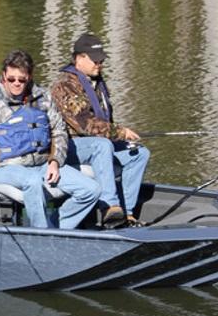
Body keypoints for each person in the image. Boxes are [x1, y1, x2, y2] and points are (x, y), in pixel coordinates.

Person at [0, 49, 102, 230]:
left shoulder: (43, 98)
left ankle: (57, 228)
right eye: (11, 79)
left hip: (42, 165)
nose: (16, 84)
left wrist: (55, 161)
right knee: (32, 182)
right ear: (4, 75)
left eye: (21, 80)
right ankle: (40, 233)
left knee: (91, 190)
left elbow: (59, 132)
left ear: (29, 77)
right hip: (5, 168)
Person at [50, 34, 150, 224]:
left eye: (101, 59)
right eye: (95, 59)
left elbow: (104, 122)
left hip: (97, 143)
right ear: (79, 58)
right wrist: (120, 132)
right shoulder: (65, 87)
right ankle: (109, 206)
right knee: (102, 146)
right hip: (69, 147)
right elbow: (86, 125)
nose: (99, 63)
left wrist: (122, 138)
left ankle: (126, 212)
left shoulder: (96, 83)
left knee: (139, 153)